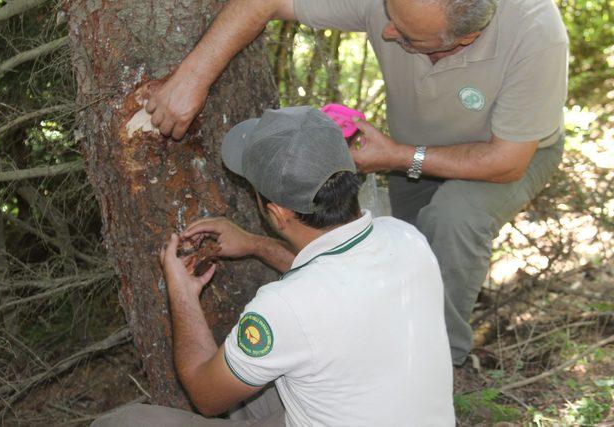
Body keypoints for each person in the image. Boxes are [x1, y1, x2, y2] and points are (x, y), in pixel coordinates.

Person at [144, 0, 569, 366]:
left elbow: (507, 161)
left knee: (454, 219)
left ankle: (441, 361)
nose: (385, 30)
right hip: (415, 144)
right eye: (388, 12)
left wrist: (397, 157)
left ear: (461, 41)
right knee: (402, 248)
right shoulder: (393, 7)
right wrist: (191, 79)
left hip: (510, 152)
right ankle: (384, 347)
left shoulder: (534, 32)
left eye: (405, 35)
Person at [93, 106, 454, 426]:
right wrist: (254, 244)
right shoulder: (407, 239)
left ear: (277, 213)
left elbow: (205, 395)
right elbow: (332, 283)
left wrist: (182, 294)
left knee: (121, 422)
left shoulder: (283, 308)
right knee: (260, 380)